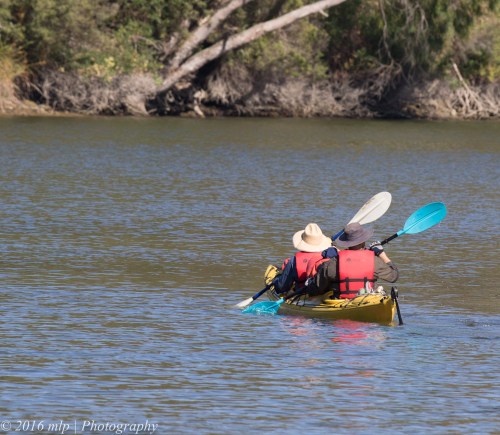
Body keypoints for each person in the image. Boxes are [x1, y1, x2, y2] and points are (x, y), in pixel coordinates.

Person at [305, 222, 398, 298]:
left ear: (346, 243)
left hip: (340, 303)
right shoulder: (375, 261)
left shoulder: (333, 263)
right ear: (363, 241)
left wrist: (309, 283)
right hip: (368, 299)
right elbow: (394, 276)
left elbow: (316, 289)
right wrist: (382, 253)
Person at [272, 223, 335, 295]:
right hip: (326, 294)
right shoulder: (330, 257)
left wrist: (275, 281)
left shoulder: (293, 261)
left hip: (302, 294)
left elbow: (281, 287)